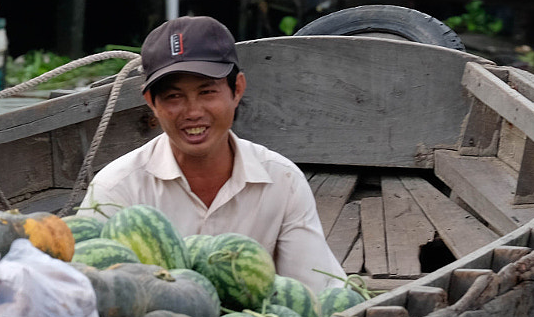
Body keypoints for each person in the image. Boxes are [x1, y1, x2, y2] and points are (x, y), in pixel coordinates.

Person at [80, 16, 344, 293]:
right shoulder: (117, 189)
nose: (193, 112)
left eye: (207, 92)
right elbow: (88, 294)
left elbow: (319, 292)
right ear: (151, 104)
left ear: (237, 89)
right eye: (173, 97)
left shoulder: (283, 182)